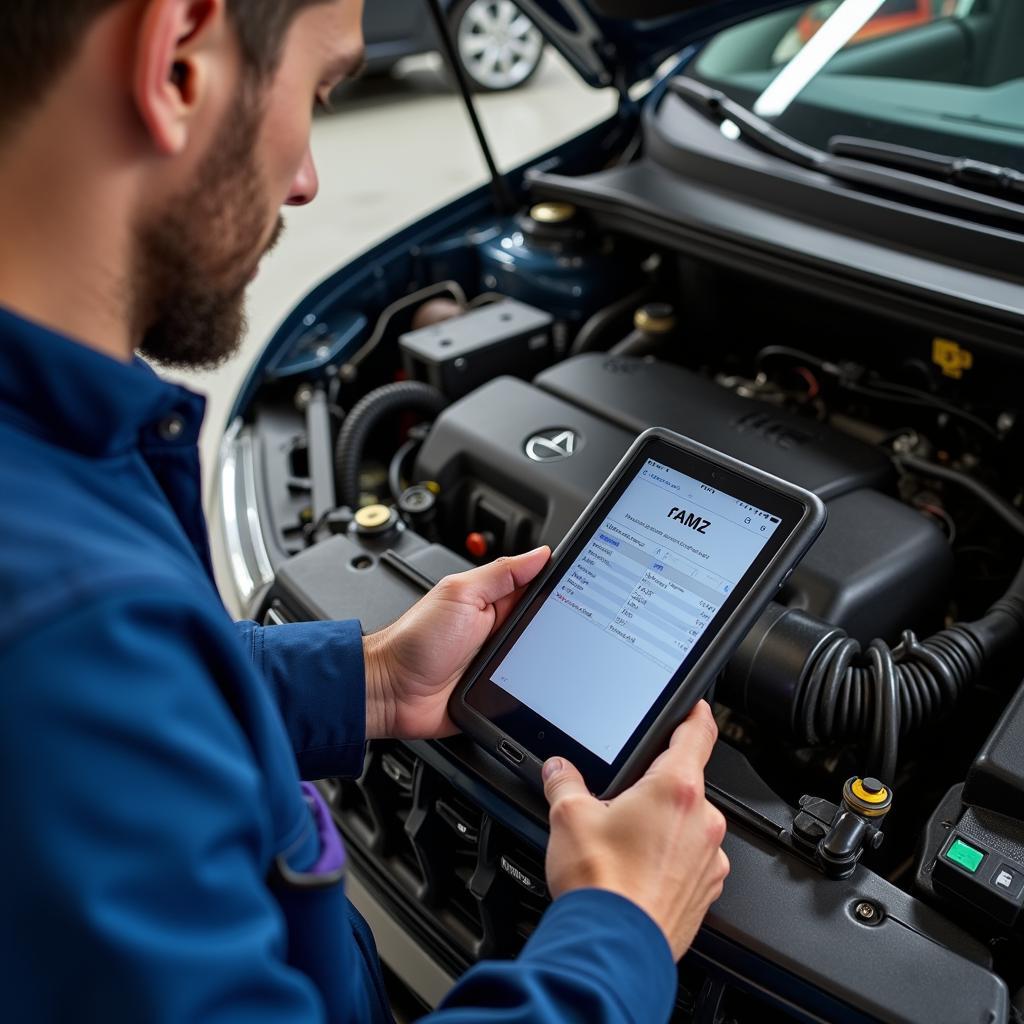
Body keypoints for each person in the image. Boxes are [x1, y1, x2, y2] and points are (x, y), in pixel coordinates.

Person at [0, 1, 730, 1021]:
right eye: (323, 89)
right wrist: (620, 930)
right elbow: (94, 685)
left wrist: (371, 681)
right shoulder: (62, 634)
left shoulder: (56, 456)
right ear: (176, 60)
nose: (306, 181)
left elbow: (153, 696)